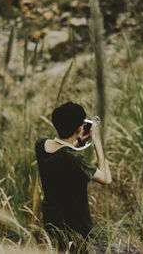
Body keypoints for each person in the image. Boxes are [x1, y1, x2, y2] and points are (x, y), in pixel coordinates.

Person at [35, 102, 112, 253]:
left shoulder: (41, 144)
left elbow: (61, 151)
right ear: (78, 129)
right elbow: (106, 178)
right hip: (76, 227)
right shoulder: (74, 161)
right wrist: (97, 143)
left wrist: (81, 141)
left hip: (52, 220)